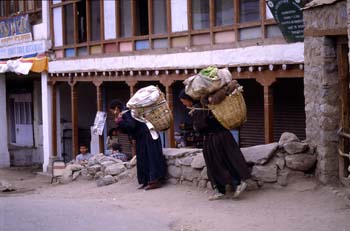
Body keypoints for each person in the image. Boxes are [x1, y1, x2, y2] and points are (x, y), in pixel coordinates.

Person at [179, 89, 251, 200]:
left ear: (189, 99)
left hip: (214, 139)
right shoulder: (205, 105)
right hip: (223, 136)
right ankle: (225, 188)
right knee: (227, 161)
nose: (183, 104)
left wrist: (194, 126)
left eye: (183, 101)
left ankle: (234, 184)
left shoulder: (199, 109)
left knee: (219, 164)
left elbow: (201, 126)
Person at [108, 99, 167, 190]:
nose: (112, 113)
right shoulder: (125, 113)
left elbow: (131, 125)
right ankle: (146, 180)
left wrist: (120, 121)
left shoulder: (127, 113)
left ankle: (155, 180)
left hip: (148, 135)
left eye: (112, 111)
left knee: (151, 157)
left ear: (116, 108)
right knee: (142, 158)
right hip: (141, 137)